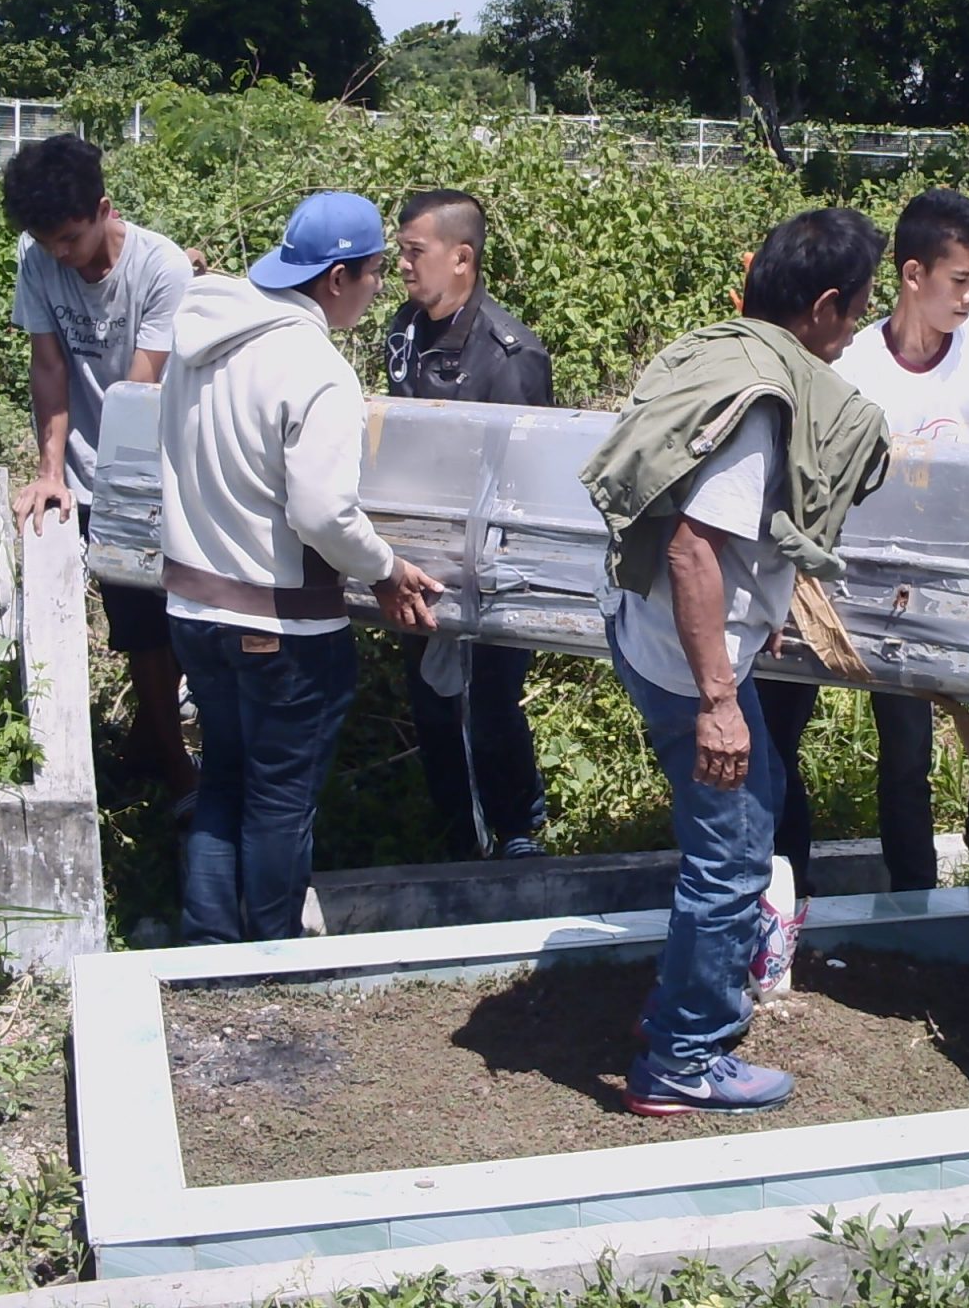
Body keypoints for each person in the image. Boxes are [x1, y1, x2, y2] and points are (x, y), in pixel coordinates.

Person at [582, 208, 890, 1115]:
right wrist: (719, 697)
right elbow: (693, 549)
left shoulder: (715, 351)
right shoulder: (762, 402)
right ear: (824, 306)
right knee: (733, 857)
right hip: (689, 663)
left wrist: (759, 615)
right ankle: (683, 1057)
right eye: (859, 307)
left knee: (747, 819)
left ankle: (681, 1005)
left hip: (646, 627)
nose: (859, 326)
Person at [755, 188, 969, 975]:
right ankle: (902, 895)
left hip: (968, 585)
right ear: (914, 275)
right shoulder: (858, 362)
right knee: (901, 746)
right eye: (959, 281)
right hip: (869, 589)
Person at [158, 191, 443, 944]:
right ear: (338, 278)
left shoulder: (199, 343)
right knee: (280, 798)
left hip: (193, 608)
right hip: (279, 623)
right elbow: (321, 513)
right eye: (374, 273)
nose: (379, 288)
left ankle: (209, 943)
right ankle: (273, 947)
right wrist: (385, 568)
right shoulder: (315, 369)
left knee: (223, 778)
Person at [2, 134, 199, 804]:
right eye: (46, 241)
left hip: (159, 464)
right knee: (138, 623)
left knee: (178, 614)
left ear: (104, 210)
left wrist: (120, 493)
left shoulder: (161, 269)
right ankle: (173, 768)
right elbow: (48, 364)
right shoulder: (37, 256)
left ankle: (152, 745)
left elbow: (140, 390)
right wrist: (51, 470)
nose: (60, 254)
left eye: (70, 238)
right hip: (87, 464)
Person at [384, 189, 552, 860]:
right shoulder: (404, 328)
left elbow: (526, 482)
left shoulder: (508, 356)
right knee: (431, 702)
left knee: (488, 705)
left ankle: (517, 831)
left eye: (414, 252)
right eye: (400, 252)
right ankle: (456, 835)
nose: (402, 266)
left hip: (489, 565)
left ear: (462, 258)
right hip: (417, 557)